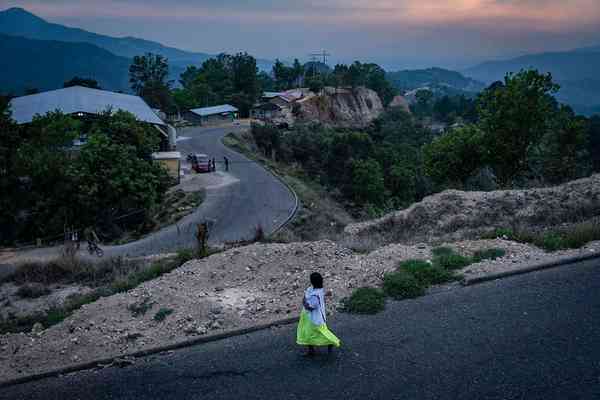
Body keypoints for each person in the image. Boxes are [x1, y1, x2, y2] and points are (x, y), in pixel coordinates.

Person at [296, 272, 341, 356]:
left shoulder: (313, 293)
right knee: (312, 332)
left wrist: (304, 302)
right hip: (310, 316)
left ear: (312, 282)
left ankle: (329, 342)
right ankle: (313, 349)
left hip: (312, 317)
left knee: (310, 333)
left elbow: (310, 306)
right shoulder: (318, 290)